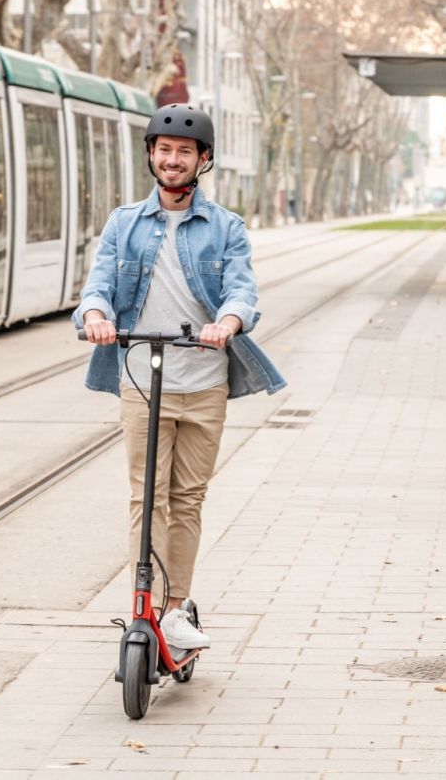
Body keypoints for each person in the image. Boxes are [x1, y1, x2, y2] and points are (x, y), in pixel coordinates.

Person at [73, 102, 286, 653]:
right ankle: (144, 602)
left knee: (187, 499)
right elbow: (97, 286)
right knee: (148, 500)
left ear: (203, 160)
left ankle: (173, 610)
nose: (172, 160)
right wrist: (94, 316)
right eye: (163, 150)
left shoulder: (226, 227)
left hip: (204, 380)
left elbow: (242, 289)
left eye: (183, 152)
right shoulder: (124, 222)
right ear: (151, 155)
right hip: (142, 378)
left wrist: (229, 323)